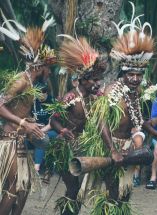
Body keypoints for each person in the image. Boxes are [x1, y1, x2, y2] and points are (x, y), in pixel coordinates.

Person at [82, 3, 157, 214]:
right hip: (110, 147)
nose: (134, 79)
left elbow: (137, 119)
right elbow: (101, 120)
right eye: (131, 75)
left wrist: (156, 133)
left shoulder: (135, 93)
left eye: (138, 75)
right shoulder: (113, 91)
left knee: (124, 194)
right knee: (113, 194)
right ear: (123, 73)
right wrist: (112, 149)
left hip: (127, 148)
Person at [0, 15, 55, 215]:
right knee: (14, 188)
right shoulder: (20, 80)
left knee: (24, 188)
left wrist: (30, 121)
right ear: (39, 67)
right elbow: (0, 106)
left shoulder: (30, 83)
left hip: (21, 140)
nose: (50, 71)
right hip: (9, 141)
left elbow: (18, 108)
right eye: (48, 67)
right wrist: (24, 122)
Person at [49, 34, 104, 215]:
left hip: (84, 147)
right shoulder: (71, 97)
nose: (98, 84)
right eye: (94, 80)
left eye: (98, 80)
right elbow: (53, 119)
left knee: (80, 189)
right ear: (82, 79)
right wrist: (62, 130)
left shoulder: (95, 98)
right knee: (73, 188)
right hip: (68, 147)